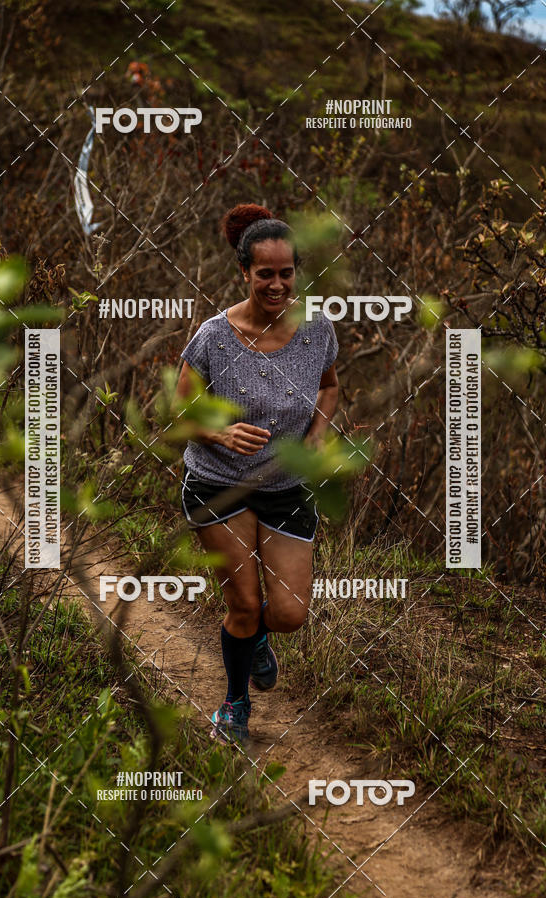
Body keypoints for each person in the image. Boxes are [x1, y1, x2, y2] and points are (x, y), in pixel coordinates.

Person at [175, 203, 339, 744]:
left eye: (286, 272)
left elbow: (329, 386)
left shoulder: (317, 329)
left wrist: (317, 435)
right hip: (218, 484)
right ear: (244, 272)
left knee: (288, 613)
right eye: (264, 273)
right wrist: (220, 433)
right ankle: (234, 703)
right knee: (243, 604)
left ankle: (255, 640)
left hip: (286, 488)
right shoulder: (213, 338)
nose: (276, 284)